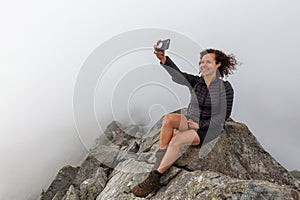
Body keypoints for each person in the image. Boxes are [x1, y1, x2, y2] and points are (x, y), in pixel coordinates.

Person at [132, 41, 238, 197]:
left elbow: (223, 116)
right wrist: (163, 59)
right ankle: (161, 157)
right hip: (191, 120)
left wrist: (200, 124)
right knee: (168, 119)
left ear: (218, 64)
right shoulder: (198, 83)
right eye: (202, 62)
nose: (203, 64)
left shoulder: (226, 88)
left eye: (208, 62)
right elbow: (178, 76)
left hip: (207, 129)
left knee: (177, 140)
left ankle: (154, 178)